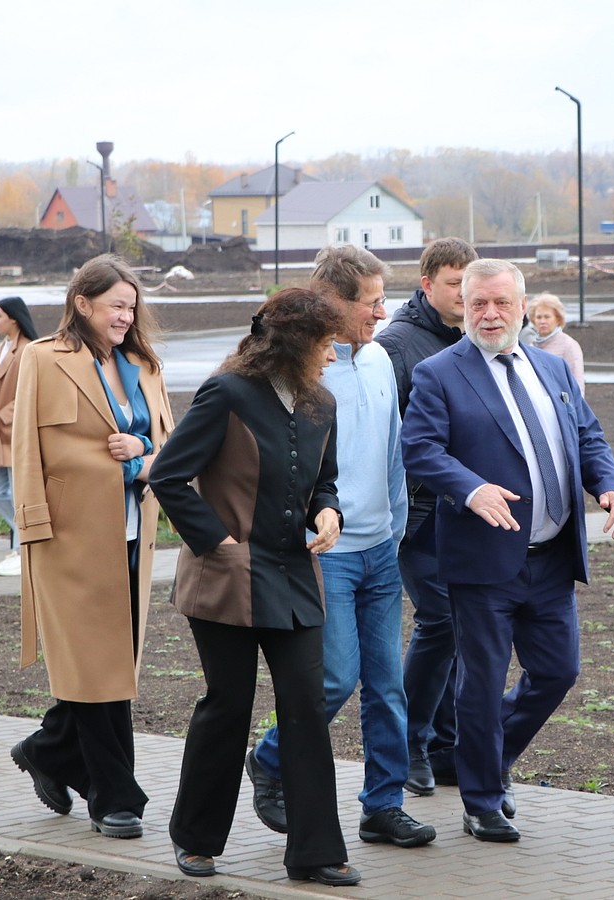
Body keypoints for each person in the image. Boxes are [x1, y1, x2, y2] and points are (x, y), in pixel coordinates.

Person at [401, 258, 614, 842]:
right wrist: (471, 488)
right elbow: (420, 448)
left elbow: (587, 435)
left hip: (552, 555)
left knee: (558, 671)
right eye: (478, 303)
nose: (489, 314)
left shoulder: (552, 368)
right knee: (480, 681)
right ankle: (481, 800)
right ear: (463, 307)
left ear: (523, 306)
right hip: (482, 560)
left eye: (501, 303)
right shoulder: (439, 373)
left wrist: (610, 485)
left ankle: (483, 757)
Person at [150, 288, 360, 887]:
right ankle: (194, 838)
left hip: (295, 576)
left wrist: (329, 514)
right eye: (325, 346)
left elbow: (326, 482)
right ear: (295, 345)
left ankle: (315, 851)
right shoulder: (228, 393)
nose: (332, 357)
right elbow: (168, 474)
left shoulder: (322, 402)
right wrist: (217, 542)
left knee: (306, 709)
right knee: (228, 705)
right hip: (226, 579)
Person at [248, 244, 435, 850]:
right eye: (373, 302)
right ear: (332, 302)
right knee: (335, 677)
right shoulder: (295, 372)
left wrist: (397, 529)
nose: (384, 313)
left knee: (389, 687)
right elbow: (270, 464)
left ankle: (383, 806)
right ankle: (269, 759)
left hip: (382, 548)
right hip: (325, 555)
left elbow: (392, 453)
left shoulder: (379, 361)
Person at [9, 254, 172, 840]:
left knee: (109, 665)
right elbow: (25, 446)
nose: (126, 317)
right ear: (83, 304)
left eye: (132, 307)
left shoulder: (144, 365)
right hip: (66, 541)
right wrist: (30, 528)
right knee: (99, 667)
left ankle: (49, 749)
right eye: (116, 306)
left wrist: (143, 455)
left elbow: (169, 451)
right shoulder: (42, 359)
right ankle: (114, 796)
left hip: (133, 536)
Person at [375, 236, 477, 795]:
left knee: (464, 622)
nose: (465, 294)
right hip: (415, 513)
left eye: (471, 282)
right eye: (454, 284)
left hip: (466, 511)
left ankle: (445, 742)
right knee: (439, 620)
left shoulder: (478, 339)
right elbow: (383, 438)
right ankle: (409, 740)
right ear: (427, 285)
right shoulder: (397, 346)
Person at [0, 296, 38, 578]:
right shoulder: (3, 346)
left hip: (14, 431)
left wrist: (7, 414)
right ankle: (24, 535)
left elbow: (33, 391)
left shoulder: (27, 349)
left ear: (13, 318)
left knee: (18, 494)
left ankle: (23, 548)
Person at [526, 293, 584, 383]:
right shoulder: (530, 346)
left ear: (558, 319)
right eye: (539, 317)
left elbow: (577, 382)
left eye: (547, 317)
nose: (542, 321)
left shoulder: (569, 345)